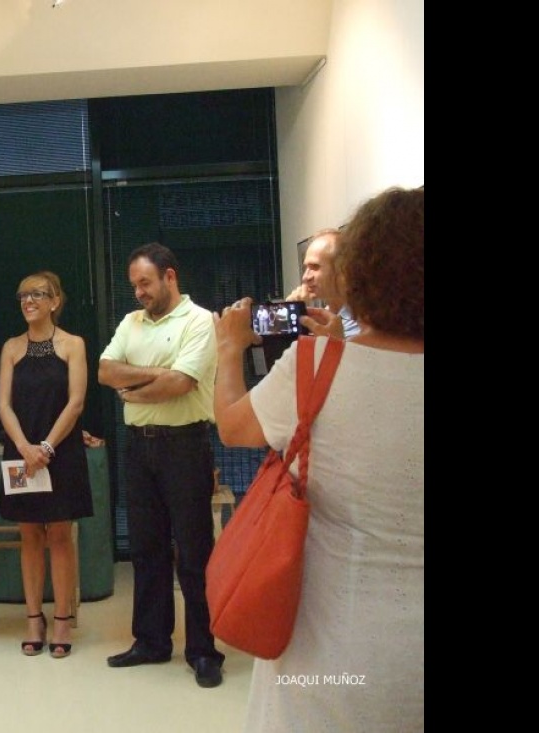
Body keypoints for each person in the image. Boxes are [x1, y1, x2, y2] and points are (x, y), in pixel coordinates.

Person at [213, 185, 423, 731]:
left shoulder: (316, 364)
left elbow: (234, 427)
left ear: (359, 273)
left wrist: (230, 347)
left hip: (328, 649)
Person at [97, 242, 224, 688]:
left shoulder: (201, 321)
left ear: (170, 276)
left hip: (185, 446)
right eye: (134, 285)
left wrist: (136, 386)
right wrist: (156, 374)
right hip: (139, 447)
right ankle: (151, 641)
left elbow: (182, 383)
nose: (138, 293)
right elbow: (106, 372)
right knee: (146, 548)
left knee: (194, 551)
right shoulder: (131, 322)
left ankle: (203, 650)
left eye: (145, 283)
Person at [0, 271, 93, 659]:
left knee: (59, 536)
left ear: (55, 301)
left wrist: (47, 447)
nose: (28, 300)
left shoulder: (73, 345)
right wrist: (24, 447)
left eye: (37, 294)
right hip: (22, 453)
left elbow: (76, 402)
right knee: (30, 534)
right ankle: (33, 618)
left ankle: (63, 620)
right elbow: (3, 404)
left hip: (61, 452)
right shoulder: (10, 348)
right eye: (23, 294)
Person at [300, 228, 361, 338]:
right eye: (306, 268)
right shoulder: (319, 320)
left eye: (315, 267)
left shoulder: (366, 326)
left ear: (342, 268)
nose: (305, 277)